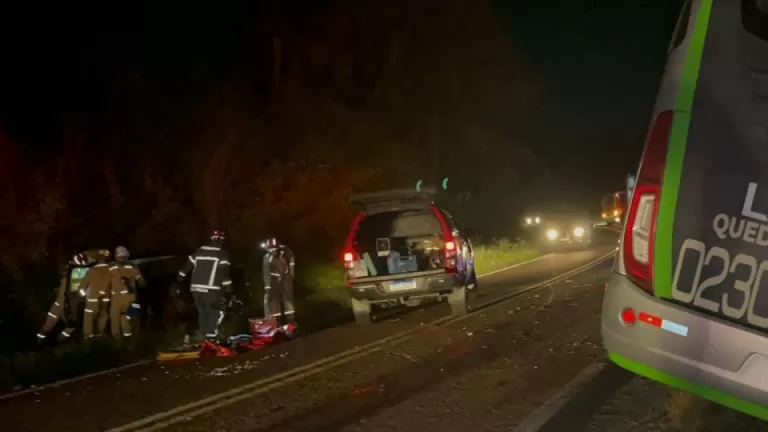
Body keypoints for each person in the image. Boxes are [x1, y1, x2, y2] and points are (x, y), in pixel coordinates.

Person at [176, 230, 233, 343]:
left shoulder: (199, 251)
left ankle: (204, 337)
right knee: (217, 312)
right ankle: (212, 337)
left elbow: (186, 267)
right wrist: (229, 291)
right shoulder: (222, 254)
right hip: (212, 289)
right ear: (222, 240)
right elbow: (224, 274)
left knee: (203, 313)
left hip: (196, 289)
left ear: (211, 239)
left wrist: (179, 279)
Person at [36, 253, 88, 343]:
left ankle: (58, 343)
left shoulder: (79, 274)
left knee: (70, 327)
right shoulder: (68, 272)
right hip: (60, 305)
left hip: (70, 306)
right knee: (48, 326)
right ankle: (38, 343)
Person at [109, 246, 146, 339]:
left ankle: (116, 339)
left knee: (115, 318)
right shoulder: (132, 266)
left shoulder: (110, 267)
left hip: (115, 297)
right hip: (130, 296)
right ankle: (130, 337)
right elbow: (142, 282)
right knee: (131, 316)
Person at [261, 238, 296, 325]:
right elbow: (266, 274)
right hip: (274, 280)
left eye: (274, 250)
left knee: (287, 298)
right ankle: (276, 321)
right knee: (273, 300)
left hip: (286, 279)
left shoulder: (285, 253)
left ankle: (290, 320)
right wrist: (267, 287)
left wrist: (290, 274)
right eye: (270, 250)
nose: (273, 252)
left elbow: (288, 263)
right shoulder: (266, 258)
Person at [80, 249, 114, 338]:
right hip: (105, 299)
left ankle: (88, 336)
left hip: (91, 298)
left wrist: (83, 294)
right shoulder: (111, 270)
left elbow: (82, 286)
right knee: (103, 315)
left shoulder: (92, 270)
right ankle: (100, 333)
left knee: (89, 317)